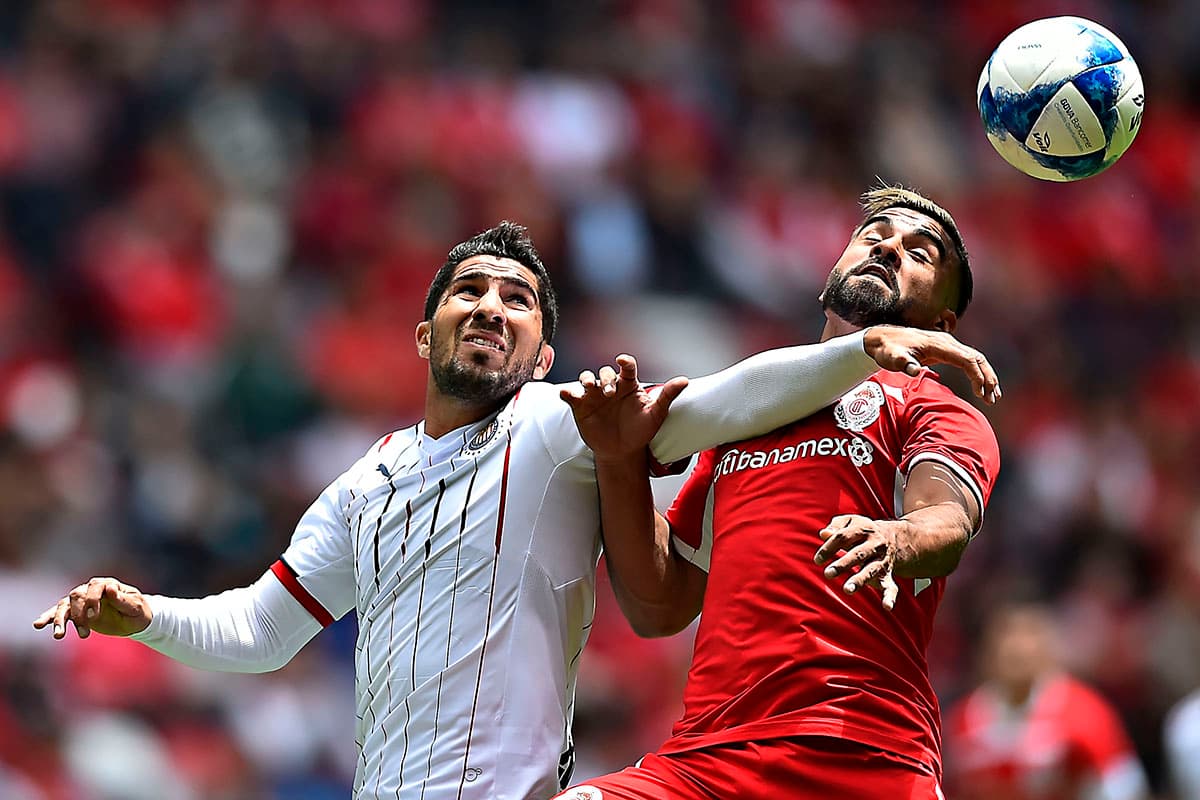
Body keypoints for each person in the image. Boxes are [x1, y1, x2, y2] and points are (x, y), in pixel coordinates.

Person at [34, 220, 998, 800]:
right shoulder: (358, 488)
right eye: (469, 291)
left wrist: (860, 349)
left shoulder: (552, 425)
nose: (490, 307)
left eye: (517, 300)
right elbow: (257, 629)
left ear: (545, 356)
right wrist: (143, 618)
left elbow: (713, 403)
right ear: (424, 333)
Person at [554, 186, 1002, 799]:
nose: (890, 248)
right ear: (831, 276)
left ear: (942, 326)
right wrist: (618, 461)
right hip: (706, 760)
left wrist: (898, 536)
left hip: (861, 755)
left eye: (920, 253)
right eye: (874, 237)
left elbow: (947, 522)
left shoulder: (934, 409)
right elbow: (660, 604)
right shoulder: (744, 418)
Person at [944, 603, 1149, 800]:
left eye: (1029, 634)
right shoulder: (961, 723)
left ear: (1049, 647)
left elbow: (1124, 787)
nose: (1017, 647)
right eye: (1007, 635)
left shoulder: (1085, 713)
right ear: (987, 650)